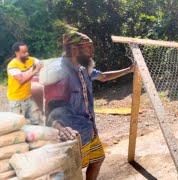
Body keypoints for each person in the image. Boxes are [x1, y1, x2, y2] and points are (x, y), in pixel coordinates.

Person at [47, 31, 133, 180]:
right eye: (88, 47)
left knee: (97, 159)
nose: (91, 51)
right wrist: (60, 128)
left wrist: (129, 69)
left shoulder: (83, 68)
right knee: (72, 173)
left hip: (90, 129)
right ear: (74, 49)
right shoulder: (58, 72)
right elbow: (49, 108)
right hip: (73, 136)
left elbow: (104, 76)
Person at [6, 42, 43, 125]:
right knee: (19, 125)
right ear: (17, 53)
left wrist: (40, 65)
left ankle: (37, 137)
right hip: (17, 100)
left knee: (37, 120)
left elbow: (40, 63)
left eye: (27, 51)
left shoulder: (30, 60)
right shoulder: (12, 66)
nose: (27, 54)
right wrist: (35, 71)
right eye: (24, 52)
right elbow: (22, 80)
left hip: (28, 97)